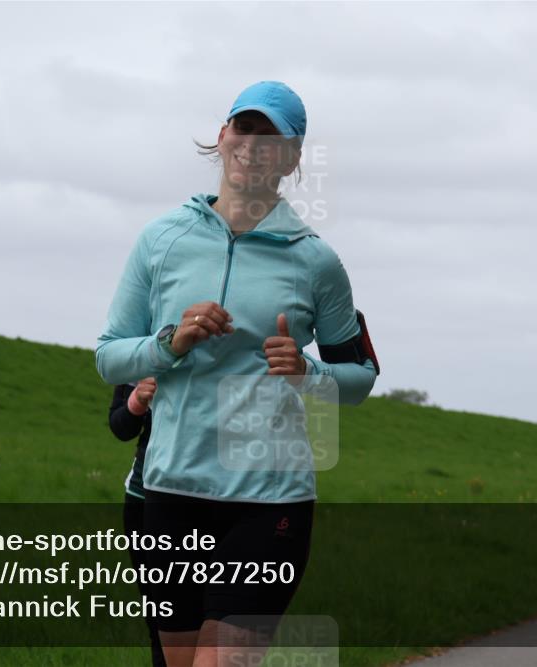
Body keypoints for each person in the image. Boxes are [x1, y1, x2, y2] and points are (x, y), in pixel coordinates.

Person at [95, 80, 378, 667]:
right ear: (222, 136)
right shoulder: (161, 240)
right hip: (170, 493)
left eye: (271, 137)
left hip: (269, 500)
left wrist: (306, 371)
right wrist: (169, 343)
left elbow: (359, 379)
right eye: (244, 129)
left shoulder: (316, 261)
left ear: (292, 158)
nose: (252, 145)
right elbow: (110, 356)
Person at [108, 377, 166, 667]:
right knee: (161, 619)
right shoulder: (143, 357)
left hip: (220, 499)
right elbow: (121, 426)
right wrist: (138, 401)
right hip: (144, 498)